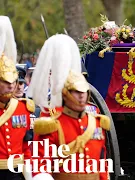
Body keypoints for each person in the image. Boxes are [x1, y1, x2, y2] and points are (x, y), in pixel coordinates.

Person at [27, 34, 110, 180]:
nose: (82, 96)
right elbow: (40, 162)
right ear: (66, 94)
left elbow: (100, 159)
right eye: (76, 92)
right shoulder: (51, 124)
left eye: (84, 91)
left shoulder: (96, 122)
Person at [0, 16, 34, 180]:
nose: (12, 86)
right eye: (6, 82)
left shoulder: (24, 107)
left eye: (13, 82)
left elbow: (26, 145)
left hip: (16, 173)